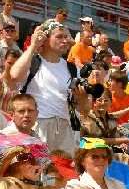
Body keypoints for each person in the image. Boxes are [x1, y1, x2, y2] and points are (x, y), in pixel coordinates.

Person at [9, 19, 88, 154]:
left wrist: (82, 98)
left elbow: (85, 110)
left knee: (65, 173)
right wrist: (33, 46)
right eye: (58, 37)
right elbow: (15, 75)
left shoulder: (72, 69)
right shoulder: (32, 62)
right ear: (44, 39)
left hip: (64, 126)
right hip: (38, 124)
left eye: (65, 37)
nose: (64, 41)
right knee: (39, 171)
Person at [80, 89, 129, 173]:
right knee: (127, 161)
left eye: (106, 100)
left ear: (111, 102)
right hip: (91, 153)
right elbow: (99, 140)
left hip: (107, 152)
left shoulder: (110, 119)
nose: (103, 103)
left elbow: (115, 137)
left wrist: (122, 144)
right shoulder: (90, 117)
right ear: (95, 102)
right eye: (100, 100)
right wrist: (125, 140)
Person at [0, 49, 22, 119]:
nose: (12, 66)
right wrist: (2, 113)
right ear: (4, 61)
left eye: (15, 64)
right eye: (10, 63)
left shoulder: (18, 82)